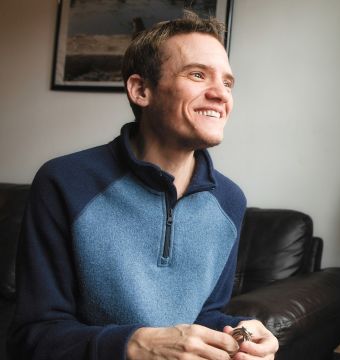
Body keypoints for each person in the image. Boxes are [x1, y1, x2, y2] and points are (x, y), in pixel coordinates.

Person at [7, 11, 278, 360]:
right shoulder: (64, 182)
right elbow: (33, 337)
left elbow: (204, 316)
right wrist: (135, 344)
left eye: (227, 83)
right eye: (198, 75)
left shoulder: (230, 200)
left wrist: (242, 332)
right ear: (141, 90)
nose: (220, 95)